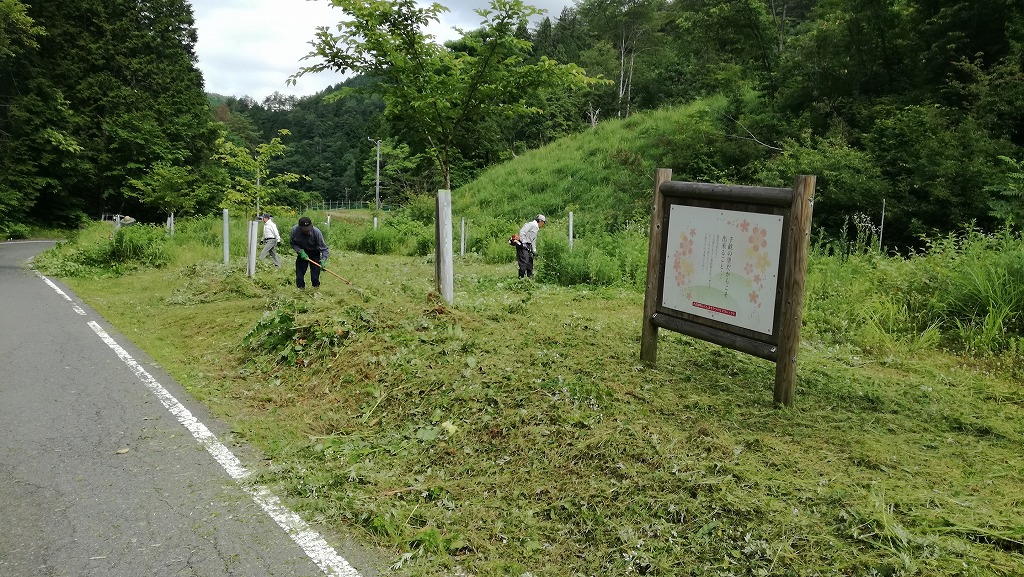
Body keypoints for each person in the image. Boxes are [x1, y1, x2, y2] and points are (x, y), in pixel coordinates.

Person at [289, 216, 330, 289]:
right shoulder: (295, 231)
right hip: (302, 253)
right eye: (305, 230)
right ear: (300, 227)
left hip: (314, 253)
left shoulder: (316, 232)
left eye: (308, 229)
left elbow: (324, 249)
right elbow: (293, 243)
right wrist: (299, 251)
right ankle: (300, 290)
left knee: (315, 276)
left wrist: (323, 260)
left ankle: (315, 288)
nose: (307, 231)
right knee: (299, 275)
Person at [516, 214, 546, 278]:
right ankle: (521, 278)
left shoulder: (536, 228)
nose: (543, 224)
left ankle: (530, 277)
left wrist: (534, 250)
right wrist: (523, 243)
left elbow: (533, 240)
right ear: (540, 221)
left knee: (530, 262)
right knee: (524, 262)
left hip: (528, 245)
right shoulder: (531, 224)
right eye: (543, 222)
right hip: (522, 245)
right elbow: (522, 232)